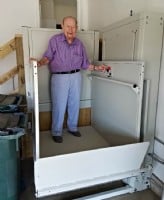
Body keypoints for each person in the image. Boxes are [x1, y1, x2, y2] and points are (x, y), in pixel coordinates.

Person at [33, 16, 104, 143]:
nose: (71, 29)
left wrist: (98, 68)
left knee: (74, 103)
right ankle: (56, 132)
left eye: (73, 27)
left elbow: (85, 64)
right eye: (68, 26)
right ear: (62, 26)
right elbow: (47, 57)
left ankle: (72, 127)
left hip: (76, 76)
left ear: (76, 28)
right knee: (59, 105)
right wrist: (39, 63)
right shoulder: (55, 41)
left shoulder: (79, 44)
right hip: (59, 78)